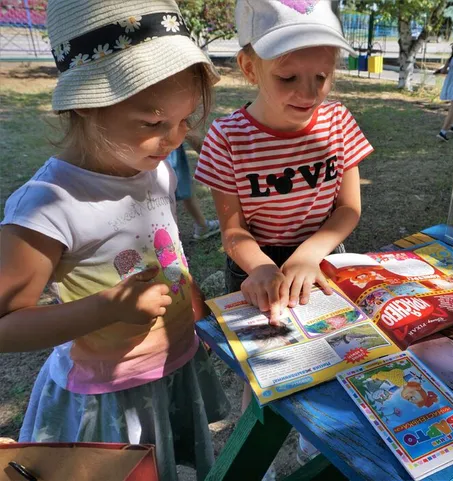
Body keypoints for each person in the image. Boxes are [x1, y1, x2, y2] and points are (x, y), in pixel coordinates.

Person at [0, 2, 230, 480]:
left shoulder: (155, 171)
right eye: (153, 123)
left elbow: (168, 255)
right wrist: (110, 307)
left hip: (174, 363)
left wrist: (198, 317)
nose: (174, 139)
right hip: (109, 395)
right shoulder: (49, 204)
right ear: (86, 103)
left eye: (185, 120)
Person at [194, 0, 373, 471]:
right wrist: (262, 267)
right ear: (249, 67)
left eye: (322, 77)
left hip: (323, 253)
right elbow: (234, 230)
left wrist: (310, 253)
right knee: (265, 368)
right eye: (288, 77)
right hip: (257, 264)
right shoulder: (228, 138)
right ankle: (261, 455)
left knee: (332, 354)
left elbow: (349, 208)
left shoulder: (338, 123)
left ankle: (323, 442)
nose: (308, 93)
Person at [166, 138, 220, 240]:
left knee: (180, 184)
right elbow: (191, 134)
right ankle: (170, 238)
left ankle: (201, 225)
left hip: (159, 149)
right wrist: (208, 157)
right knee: (171, 188)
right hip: (167, 148)